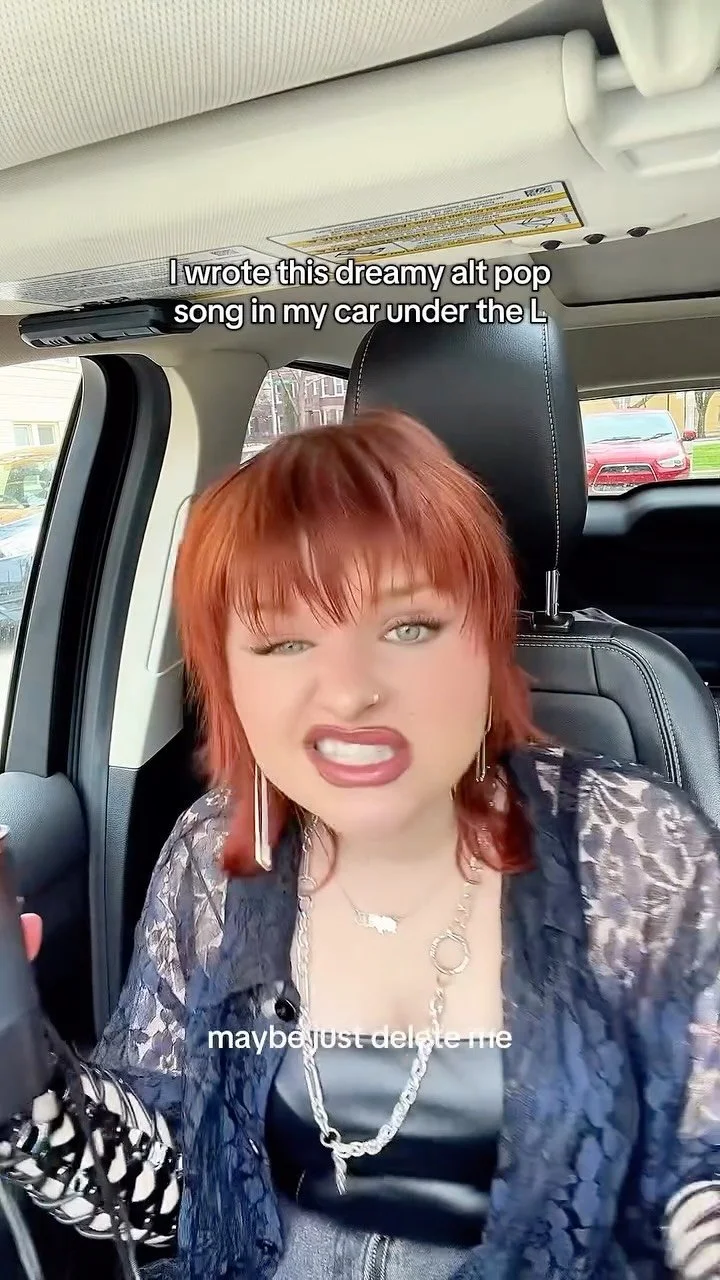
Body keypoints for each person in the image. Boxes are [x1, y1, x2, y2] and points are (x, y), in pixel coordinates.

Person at [1, 408, 719, 1280]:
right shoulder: (216, 858)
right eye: (283, 641)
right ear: (227, 679)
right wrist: (17, 1074)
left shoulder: (633, 852)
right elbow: (175, 1193)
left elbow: (698, 1177)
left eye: (408, 627)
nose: (347, 694)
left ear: (487, 639)